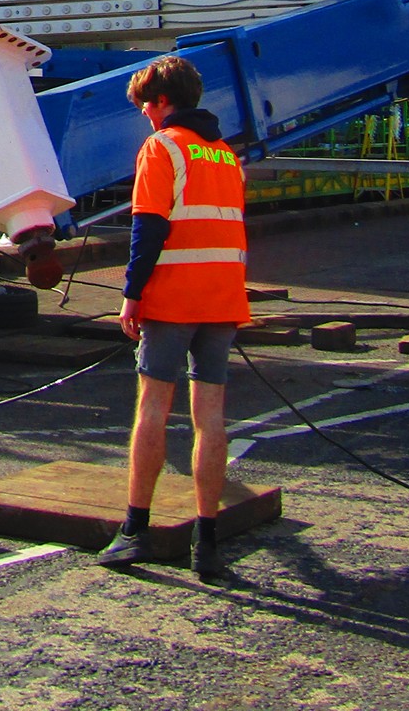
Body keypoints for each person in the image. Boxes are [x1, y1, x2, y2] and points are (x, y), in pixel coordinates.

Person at [96, 54, 248, 580]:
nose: (143, 113)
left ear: (162, 101)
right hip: (223, 297)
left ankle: (135, 530)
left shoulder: (162, 146)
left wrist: (131, 295)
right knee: (210, 418)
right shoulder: (226, 155)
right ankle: (207, 543)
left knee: (153, 409)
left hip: (173, 297)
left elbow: (149, 229)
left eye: (144, 104)